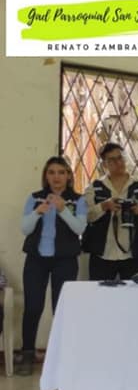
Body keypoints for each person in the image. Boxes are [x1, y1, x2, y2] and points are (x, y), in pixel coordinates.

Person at [17, 157, 87, 376]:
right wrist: (38, 211)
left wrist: (63, 209)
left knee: (61, 309)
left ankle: (61, 357)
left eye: (61, 172)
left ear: (68, 176)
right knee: (33, 307)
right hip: (36, 259)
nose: (56, 177)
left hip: (64, 260)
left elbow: (79, 228)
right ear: (46, 176)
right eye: (51, 172)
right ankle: (27, 354)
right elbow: (25, 229)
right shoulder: (35, 198)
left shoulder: (78, 200)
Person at [83, 143, 138, 280]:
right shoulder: (94, 188)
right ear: (104, 164)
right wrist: (104, 206)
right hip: (103, 253)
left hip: (134, 254)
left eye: (120, 158)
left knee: (134, 291)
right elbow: (86, 217)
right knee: (99, 291)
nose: (118, 163)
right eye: (112, 160)